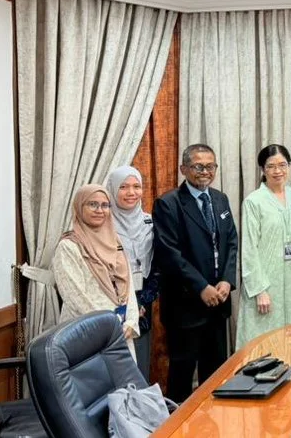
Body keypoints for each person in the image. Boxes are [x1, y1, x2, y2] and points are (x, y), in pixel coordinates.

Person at [153, 144, 238, 403]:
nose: (205, 172)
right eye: (198, 166)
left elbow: (231, 242)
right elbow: (170, 254)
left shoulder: (220, 199)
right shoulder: (168, 204)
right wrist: (201, 286)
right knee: (182, 377)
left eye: (210, 166)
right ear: (184, 169)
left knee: (215, 377)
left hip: (218, 304)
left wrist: (226, 280)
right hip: (186, 306)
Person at [52, 184, 139, 358]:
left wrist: (130, 321)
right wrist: (108, 327)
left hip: (121, 332)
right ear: (79, 207)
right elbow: (74, 296)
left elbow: (128, 286)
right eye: (92, 204)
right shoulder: (68, 246)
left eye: (105, 205)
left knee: (124, 383)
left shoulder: (116, 241)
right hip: (86, 333)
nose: (100, 210)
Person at [237, 144, 291, 348]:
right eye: (271, 166)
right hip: (267, 284)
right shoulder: (254, 201)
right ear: (262, 170)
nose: (278, 171)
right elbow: (248, 249)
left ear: (290, 166)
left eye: (282, 165)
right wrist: (260, 290)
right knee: (264, 345)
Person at [106, 166, 158, 379]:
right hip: (112, 304)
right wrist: (126, 305)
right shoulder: (103, 222)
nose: (131, 192)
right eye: (124, 187)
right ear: (112, 189)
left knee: (140, 363)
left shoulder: (149, 221)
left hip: (143, 302)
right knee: (115, 367)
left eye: (136, 187)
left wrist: (142, 302)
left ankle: (140, 410)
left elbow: (157, 266)